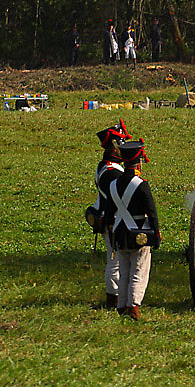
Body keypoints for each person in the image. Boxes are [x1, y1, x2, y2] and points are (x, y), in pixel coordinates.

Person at [110, 139, 160, 320]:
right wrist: (156, 233)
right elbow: (151, 211)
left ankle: (122, 305)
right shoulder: (141, 185)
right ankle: (134, 306)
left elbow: (111, 210)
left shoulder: (114, 184)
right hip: (139, 232)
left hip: (120, 233)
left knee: (123, 271)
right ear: (138, 161)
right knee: (139, 270)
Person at [90, 120, 131, 309]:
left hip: (111, 218)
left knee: (114, 261)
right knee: (114, 263)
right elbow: (116, 199)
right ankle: (113, 300)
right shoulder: (112, 172)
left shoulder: (106, 167)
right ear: (113, 147)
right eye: (119, 144)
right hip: (112, 220)